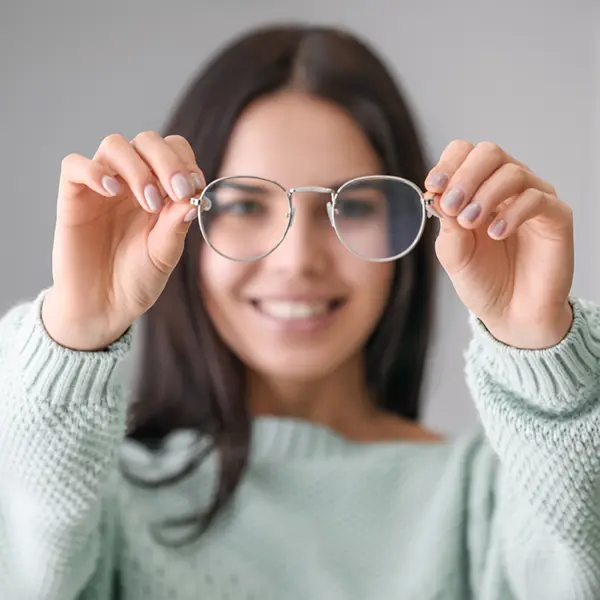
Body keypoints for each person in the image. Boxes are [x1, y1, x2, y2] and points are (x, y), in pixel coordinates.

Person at [0, 23, 598, 600]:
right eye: (242, 204)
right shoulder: (88, 504)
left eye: (355, 205)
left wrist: (542, 355)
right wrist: (71, 338)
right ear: (178, 226)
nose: (297, 260)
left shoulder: (497, 502)